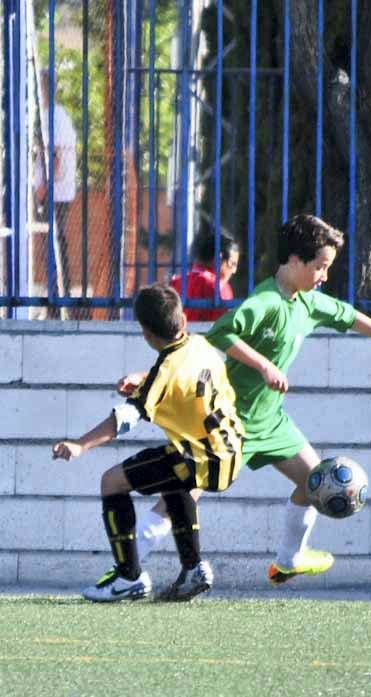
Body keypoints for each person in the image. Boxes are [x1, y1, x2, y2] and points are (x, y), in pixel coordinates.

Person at [116, 214, 371, 591]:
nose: (325, 276)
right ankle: (126, 575)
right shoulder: (265, 301)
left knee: (316, 480)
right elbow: (221, 332)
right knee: (179, 499)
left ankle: (288, 558)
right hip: (228, 423)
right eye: (321, 266)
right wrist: (264, 365)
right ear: (296, 261)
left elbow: (349, 317)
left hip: (270, 421)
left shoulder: (308, 302)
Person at [52, 283, 244, 602]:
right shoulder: (200, 344)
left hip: (200, 457)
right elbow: (174, 373)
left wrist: (80, 445)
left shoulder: (166, 371)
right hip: (231, 450)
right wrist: (143, 378)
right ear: (182, 320)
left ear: (146, 334)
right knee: (175, 481)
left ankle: (129, 577)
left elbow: (126, 417)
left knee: (111, 482)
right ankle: (193, 568)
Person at [33, 69, 77, 299]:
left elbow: (56, 157)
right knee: (56, 245)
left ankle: (58, 296)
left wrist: (42, 191)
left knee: (54, 246)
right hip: (59, 192)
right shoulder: (60, 116)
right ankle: (59, 295)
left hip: (54, 193)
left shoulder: (53, 117)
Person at [170, 232, 239, 321]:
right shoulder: (219, 287)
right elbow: (227, 326)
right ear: (219, 258)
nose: (234, 271)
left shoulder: (175, 283)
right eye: (232, 264)